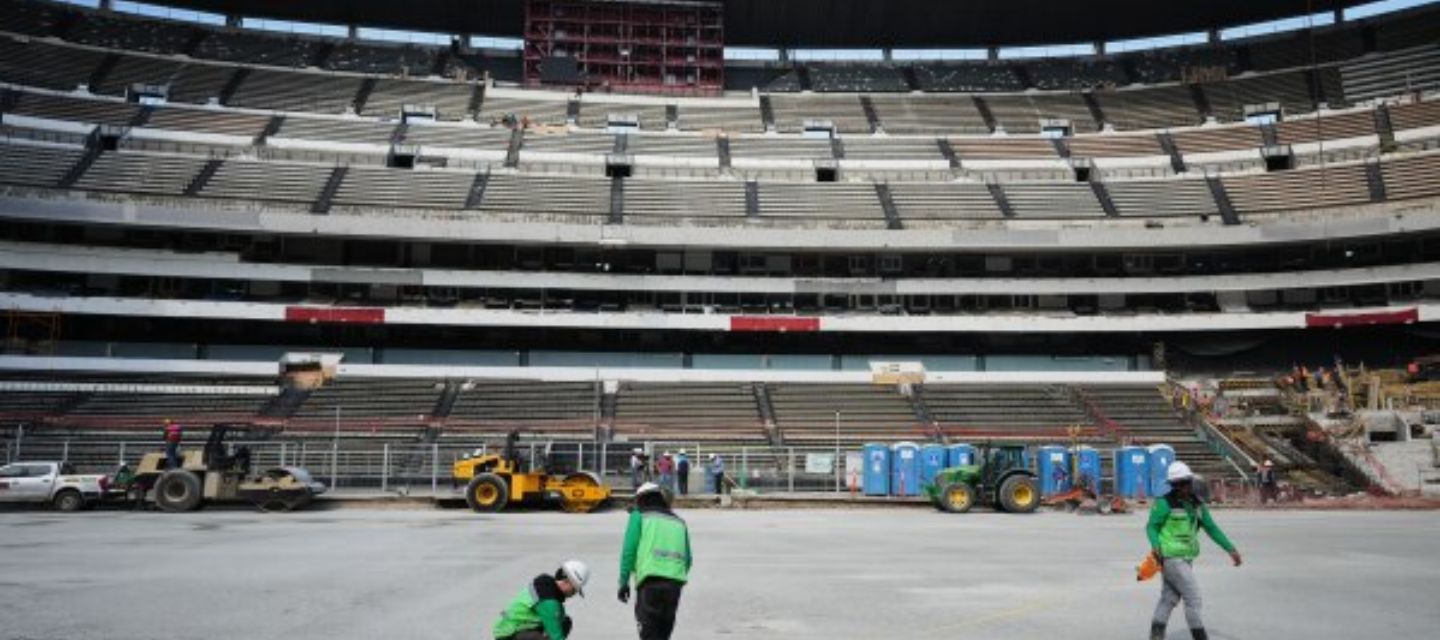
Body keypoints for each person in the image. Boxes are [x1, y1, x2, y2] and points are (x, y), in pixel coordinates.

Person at [1146, 461, 1243, 640]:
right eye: (1178, 484)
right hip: (1170, 557)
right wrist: (1155, 546)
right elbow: (1152, 527)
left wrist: (1230, 549)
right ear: (1173, 486)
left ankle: (1156, 634)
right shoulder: (1164, 503)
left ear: (1191, 482)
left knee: (1169, 597)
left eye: (1185, 482)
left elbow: (1211, 528)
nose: (1182, 487)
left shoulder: (1197, 505)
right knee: (1193, 598)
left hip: (1186, 557)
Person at [618, 483, 692, 640]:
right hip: (674, 584)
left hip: (650, 581)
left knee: (649, 634)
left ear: (641, 499)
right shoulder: (679, 522)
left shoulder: (639, 516)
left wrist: (623, 582)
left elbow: (629, 552)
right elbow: (688, 559)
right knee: (663, 634)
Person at [492, 560, 590, 640]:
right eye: (575, 589)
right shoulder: (548, 600)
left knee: (564, 622)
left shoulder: (548, 590)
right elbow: (556, 636)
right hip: (508, 634)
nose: (574, 594)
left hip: (521, 630)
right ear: (567, 582)